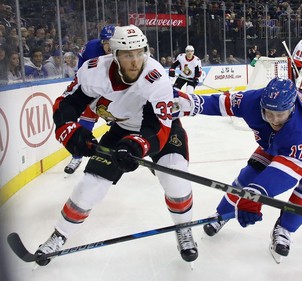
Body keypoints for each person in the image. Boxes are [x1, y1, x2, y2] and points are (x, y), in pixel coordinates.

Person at [35, 25, 198, 266]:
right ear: (114, 54)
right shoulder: (93, 71)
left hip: (160, 129)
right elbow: (67, 104)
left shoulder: (156, 77)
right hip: (122, 129)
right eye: (127, 55)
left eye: (140, 53)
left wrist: (137, 146)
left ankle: (184, 228)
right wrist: (71, 132)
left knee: (175, 177)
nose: (135, 61)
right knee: (89, 186)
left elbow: (158, 128)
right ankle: (59, 235)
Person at [174, 77, 302, 263]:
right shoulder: (252, 101)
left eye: (280, 114)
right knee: (249, 175)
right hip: (281, 140)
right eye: (268, 113)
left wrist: (255, 194)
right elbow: (221, 103)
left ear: (292, 107)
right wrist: (191, 103)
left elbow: (287, 172)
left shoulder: (301, 124)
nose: (274, 120)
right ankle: (222, 214)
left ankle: (285, 228)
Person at [64, 25, 115, 174]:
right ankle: (76, 157)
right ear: (101, 42)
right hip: (94, 89)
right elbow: (81, 70)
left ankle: (150, 154)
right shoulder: (91, 48)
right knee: (85, 123)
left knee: (130, 123)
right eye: (106, 42)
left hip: (116, 91)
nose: (109, 46)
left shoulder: (122, 49)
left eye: (112, 42)